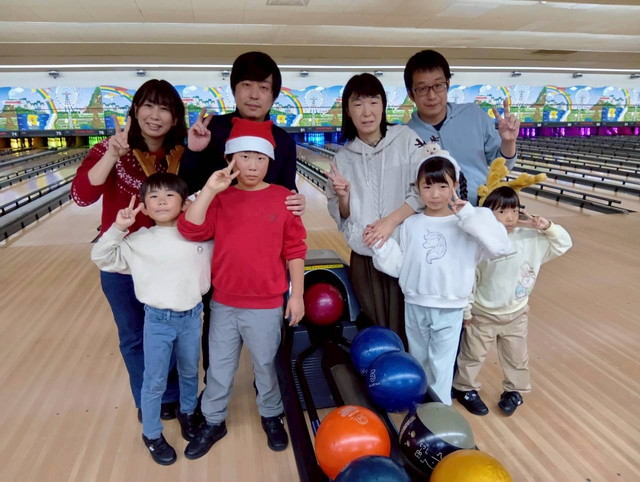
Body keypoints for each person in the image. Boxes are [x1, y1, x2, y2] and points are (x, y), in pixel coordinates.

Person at [177, 118, 307, 459]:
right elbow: (190, 229)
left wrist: (297, 295)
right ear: (230, 159)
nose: (252, 164)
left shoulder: (283, 199)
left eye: (260, 158)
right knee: (219, 368)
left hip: (267, 304)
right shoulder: (220, 198)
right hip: (224, 303)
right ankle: (213, 419)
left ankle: (271, 415)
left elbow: (295, 249)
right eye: (244, 156)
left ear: (270, 161)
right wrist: (209, 190)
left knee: (266, 366)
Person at [179, 50, 305, 374]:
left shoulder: (283, 142)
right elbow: (188, 188)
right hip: (217, 245)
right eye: (246, 85)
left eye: (263, 87)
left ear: (274, 94)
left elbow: (286, 191)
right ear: (234, 89)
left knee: (266, 328)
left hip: (262, 251)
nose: (254, 94)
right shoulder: (213, 129)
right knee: (215, 318)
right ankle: (214, 384)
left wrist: (298, 202)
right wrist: (194, 151)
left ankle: (268, 389)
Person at [71, 79, 187, 421]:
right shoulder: (109, 150)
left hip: (167, 265)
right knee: (134, 337)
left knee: (171, 335)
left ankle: (172, 395)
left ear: (175, 118)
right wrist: (111, 154)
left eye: (164, 108)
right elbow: (81, 197)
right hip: (121, 265)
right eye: (148, 105)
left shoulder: (183, 155)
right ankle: (146, 398)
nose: (155, 115)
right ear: (135, 110)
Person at [371, 151, 512, 404]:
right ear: (418, 188)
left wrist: (467, 214)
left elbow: (500, 246)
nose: (434, 194)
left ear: (455, 186)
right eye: (427, 187)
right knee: (419, 360)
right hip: (415, 303)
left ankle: (441, 408)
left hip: (450, 306)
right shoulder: (411, 224)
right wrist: (379, 245)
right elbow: (400, 266)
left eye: (442, 186)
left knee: (442, 364)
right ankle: (422, 406)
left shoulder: (469, 223)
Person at [91, 173, 212, 465]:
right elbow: (102, 257)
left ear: (184, 204)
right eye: (154, 197)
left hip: (192, 316)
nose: (161, 201)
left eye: (170, 195)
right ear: (143, 208)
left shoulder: (199, 236)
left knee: (189, 371)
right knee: (154, 379)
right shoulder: (138, 241)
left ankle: (187, 413)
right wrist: (119, 228)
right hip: (157, 320)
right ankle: (152, 433)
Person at [453, 161, 572, 416]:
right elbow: (469, 279)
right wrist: (467, 311)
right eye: (501, 211)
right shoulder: (481, 243)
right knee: (472, 355)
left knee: (517, 357)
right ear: (486, 215)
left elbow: (564, 244)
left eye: (514, 210)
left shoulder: (531, 239)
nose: (509, 217)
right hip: (483, 313)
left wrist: (548, 227)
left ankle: (514, 391)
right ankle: (465, 388)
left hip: (517, 313)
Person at [325, 73, 428, 346]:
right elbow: (342, 214)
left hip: (406, 251)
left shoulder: (406, 140)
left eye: (373, 101)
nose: (367, 111)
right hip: (366, 258)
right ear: (348, 111)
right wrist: (344, 197)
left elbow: (424, 190)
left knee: (413, 330)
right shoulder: (343, 158)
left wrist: (389, 222)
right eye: (358, 104)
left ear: (383, 105)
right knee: (379, 330)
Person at [404, 49, 521, 206]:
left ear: (447, 84)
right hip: (434, 216)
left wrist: (508, 142)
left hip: (481, 210)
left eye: (438, 85)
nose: (432, 96)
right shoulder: (406, 136)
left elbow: (502, 166)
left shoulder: (474, 115)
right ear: (411, 94)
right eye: (422, 88)